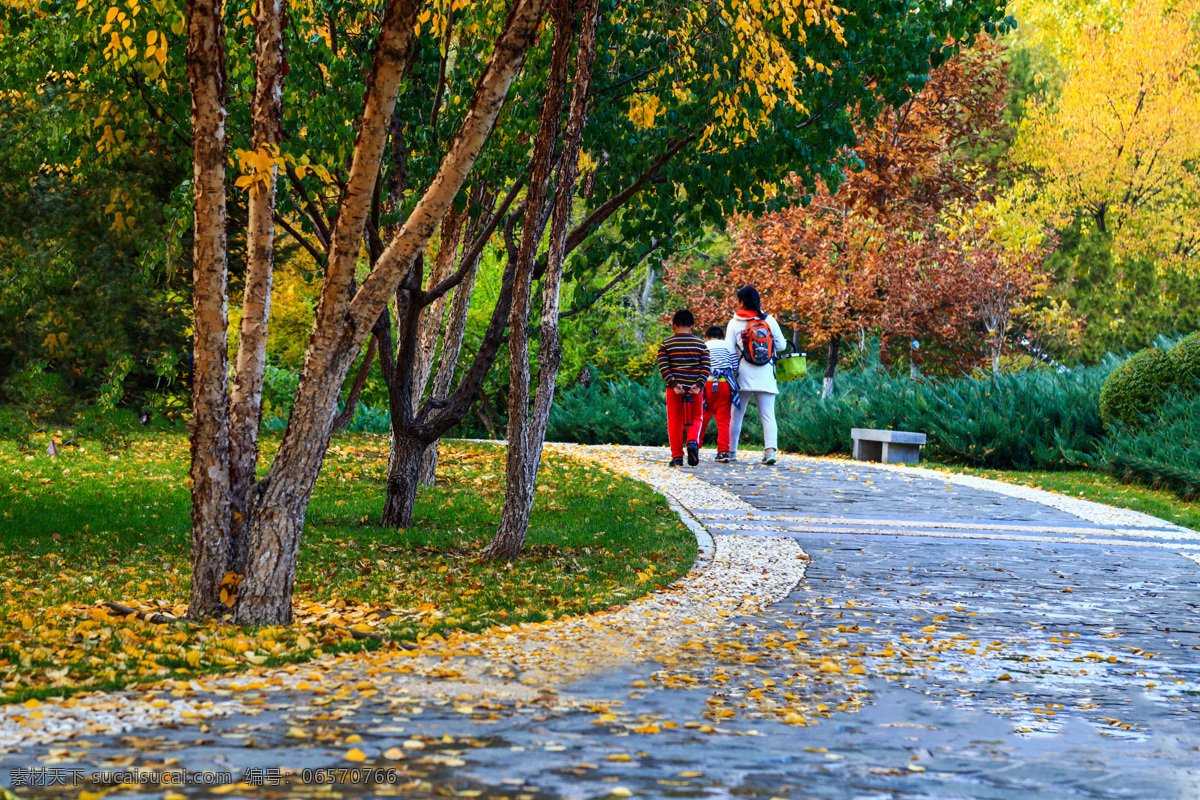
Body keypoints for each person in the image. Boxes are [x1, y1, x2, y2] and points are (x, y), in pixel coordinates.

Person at [725, 285, 786, 464]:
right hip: (766, 374)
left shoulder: (734, 322)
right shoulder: (769, 320)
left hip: (742, 375)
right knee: (768, 415)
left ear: (741, 301)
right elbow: (781, 346)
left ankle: (731, 452)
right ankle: (770, 452)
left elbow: (729, 350)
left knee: (736, 414)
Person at [656, 309, 711, 467]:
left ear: (673, 326)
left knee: (675, 421)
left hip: (674, 390)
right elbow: (706, 366)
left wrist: (674, 384)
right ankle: (692, 441)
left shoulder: (666, 344)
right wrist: (699, 385)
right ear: (693, 327)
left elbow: (664, 366)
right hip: (694, 389)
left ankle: (677, 456)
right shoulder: (701, 344)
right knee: (696, 418)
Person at [701, 325, 739, 463]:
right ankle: (723, 452)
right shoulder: (728, 345)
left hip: (707, 384)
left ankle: (694, 446)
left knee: (702, 417)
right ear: (722, 337)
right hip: (725, 385)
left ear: (706, 337)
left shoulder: (703, 345)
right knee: (724, 421)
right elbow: (735, 365)